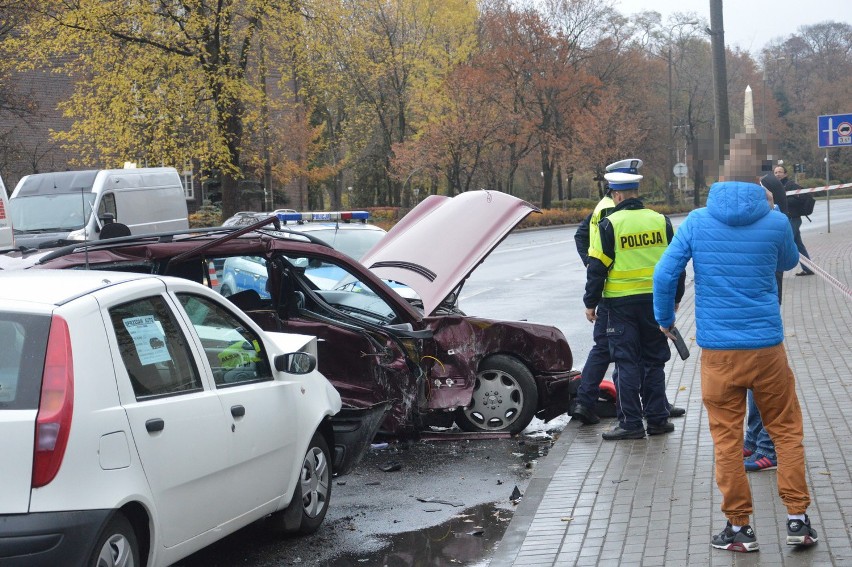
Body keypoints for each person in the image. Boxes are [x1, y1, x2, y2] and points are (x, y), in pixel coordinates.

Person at [653, 134, 818, 552]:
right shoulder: (776, 220)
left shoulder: (696, 221)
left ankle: (739, 529)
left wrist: (665, 320)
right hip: (767, 349)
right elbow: (787, 261)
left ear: (720, 177)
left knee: (727, 441)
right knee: (785, 432)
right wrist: (773, 211)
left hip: (719, 353)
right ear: (759, 178)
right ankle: (798, 521)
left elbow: (663, 275)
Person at [570, 158, 684, 425]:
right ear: (636, 192)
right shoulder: (660, 221)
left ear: (617, 194)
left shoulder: (610, 224)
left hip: (620, 305)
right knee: (654, 362)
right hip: (655, 303)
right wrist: (675, 298)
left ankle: (631, 424)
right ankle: (658, 420)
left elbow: (597, 268)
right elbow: (676, 264)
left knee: (626, 362)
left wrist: (591, 302)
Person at [775, 164, 814, 276]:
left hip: (793, 219)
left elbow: (803, 198)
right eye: (776, 172)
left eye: (780, 172)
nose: (778, 174)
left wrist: (786, 200)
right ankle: (808, 268)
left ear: (785, 174)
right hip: (785, 219)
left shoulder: (791, 185)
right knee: (798, 245)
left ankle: (777, 272)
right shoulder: (776, 187)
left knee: (784, 244)